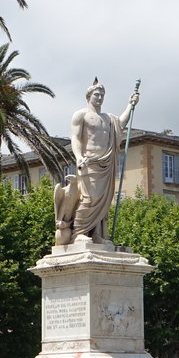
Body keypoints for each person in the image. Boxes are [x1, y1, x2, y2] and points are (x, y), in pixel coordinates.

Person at [53, 79, 139, 247]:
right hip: (89, 162)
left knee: (103, 202)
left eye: (102, 95)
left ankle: (96, 234)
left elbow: (120, 124)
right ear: (89, 96)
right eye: (96, 95)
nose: (99, 98)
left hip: (106, 163)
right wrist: (78, 156)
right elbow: (76, 138)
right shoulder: (81, 115)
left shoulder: (108, 118)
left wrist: (130, 104)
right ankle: (79, 233)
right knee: (90, 198)